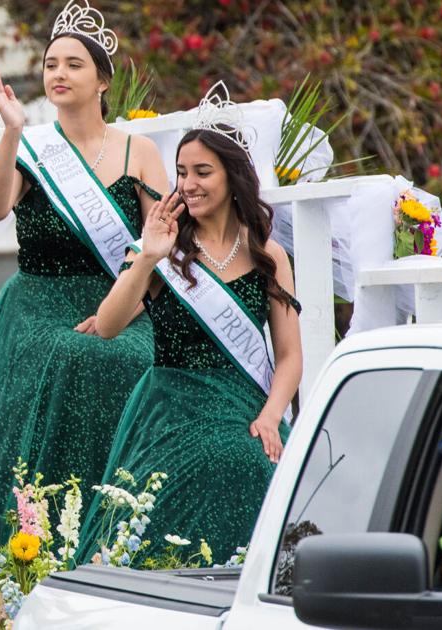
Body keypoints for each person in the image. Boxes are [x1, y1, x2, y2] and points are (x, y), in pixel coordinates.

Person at [0, 0, 166, 560]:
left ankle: (112, 527)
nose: (58, 73)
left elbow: (161, 240)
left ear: (102, 80)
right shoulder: (33, 147)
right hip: (38, 304)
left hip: (124, 301)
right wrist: (10, 133)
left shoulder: (140, 150)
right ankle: (35, 534)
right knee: (69, 355)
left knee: (124, 358)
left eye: (74, 64)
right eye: (51, 64)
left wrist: (123, 308)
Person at [83, 84, 302, 560]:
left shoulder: (269, 255)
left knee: (253, 468)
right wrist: (147, 258)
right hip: (172, 411)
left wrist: (270, 416)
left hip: (246, 410)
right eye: (182, 173)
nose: (189, 184)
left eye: (203, 172)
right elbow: (108, 324)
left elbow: (289, 357)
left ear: (232, 178)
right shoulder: (162, 248)